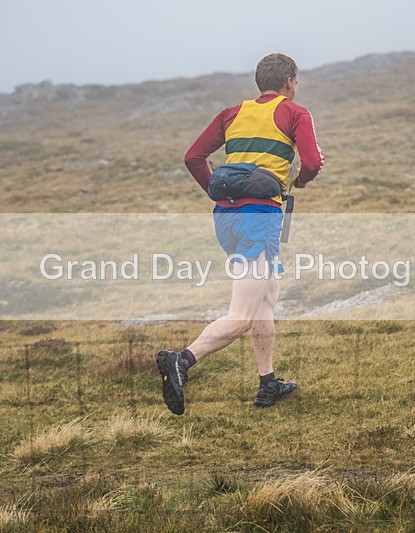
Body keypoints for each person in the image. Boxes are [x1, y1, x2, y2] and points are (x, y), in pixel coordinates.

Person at [156, 53, 324, 415]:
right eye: (295, 82)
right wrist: (301, 180)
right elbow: (311, 163)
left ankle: (268, 384)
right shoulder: (295, 113)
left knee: (267, 296)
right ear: (289, 82)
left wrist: (216, 191)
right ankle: (181, 361)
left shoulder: (231, 113)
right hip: (259, 218)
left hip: (227, 217)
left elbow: (193, 158)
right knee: (243, 314)